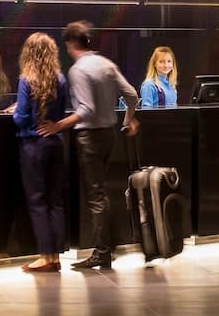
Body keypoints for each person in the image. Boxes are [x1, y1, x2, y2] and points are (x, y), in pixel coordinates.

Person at [36, 21, 139, 270]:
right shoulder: (106, 64)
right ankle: (109, 245)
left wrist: (58, 126)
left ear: (71, 43)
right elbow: (132, 95)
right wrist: (128, 119)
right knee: (102, 192)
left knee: (96, 196)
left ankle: (103, 252)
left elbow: (86, 109)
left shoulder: (78, 70)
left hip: (90, 137)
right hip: (109, 135)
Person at [12, 33, 67, 272]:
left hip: (33, 145)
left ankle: (45, 256)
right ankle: (56, 256)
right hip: (56, 143)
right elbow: (61, 112)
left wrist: (15, 112)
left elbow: (21, 117)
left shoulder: (27, 79)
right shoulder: (60, 79)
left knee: (37, 201)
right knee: (55, 201)